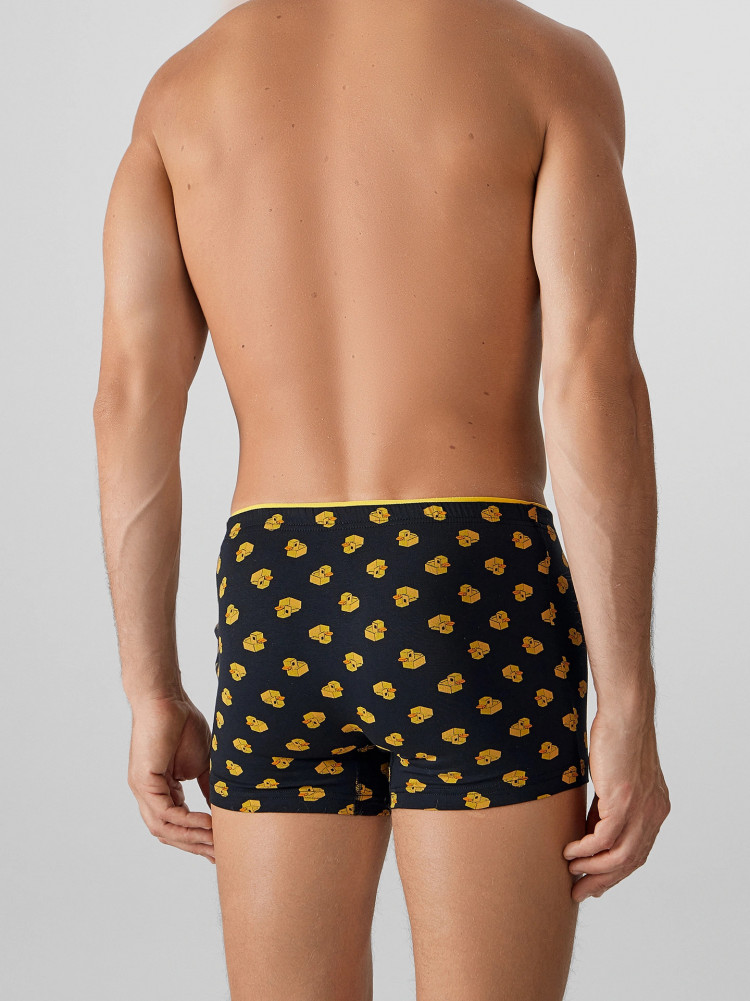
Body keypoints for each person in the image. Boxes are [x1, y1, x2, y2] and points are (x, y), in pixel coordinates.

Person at [92, 1, 671, 998]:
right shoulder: (545, 65)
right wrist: (627, 704)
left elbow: (131, 398)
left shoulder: (181, 92)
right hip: (471, 577)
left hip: (276, 593)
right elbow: (591, 384)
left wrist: (149, 687)